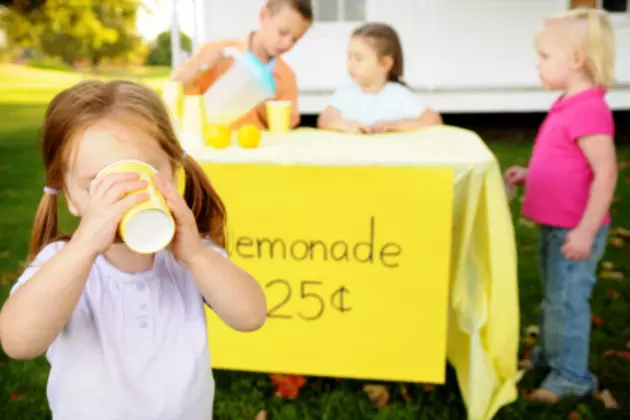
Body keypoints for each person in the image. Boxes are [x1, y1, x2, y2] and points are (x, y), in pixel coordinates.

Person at [0, 80, 267, 419]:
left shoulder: (190, 258)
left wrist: (197, 255)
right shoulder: (62, 265)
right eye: (98, 184)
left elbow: (251, 316)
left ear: (173, 174)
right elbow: (18, 342)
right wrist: (83, 248)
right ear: (69, 196)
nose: (124, 198)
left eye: (144, 175)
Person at [504, 8, 617, 404]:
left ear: (576, 59)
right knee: (555, 297)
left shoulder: (589, 109)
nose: (537, 63)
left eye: (544, 56)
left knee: (567, 303)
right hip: (558, 228)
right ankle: (551, 356)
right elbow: (566, 165)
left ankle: (572, 377)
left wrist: (586, 230)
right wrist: (530, 174)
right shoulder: (569, 104)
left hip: (574, 231)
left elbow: (605, 174)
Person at [171, 0, 313, 129]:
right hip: (213, 143)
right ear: (264, 15)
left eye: (295, 39)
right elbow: (174, 87)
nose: (287, 43)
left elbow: (289, 125)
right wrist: (199, 65)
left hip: (255, 150)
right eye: (282, 32)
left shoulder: (286, 76)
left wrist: (266, 104)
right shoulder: (219, 53)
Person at [317, 23, 442, 134]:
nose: (351, 64)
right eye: (349, 57)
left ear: (385, 63)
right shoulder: (346, 91)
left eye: (358, 58)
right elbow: (324, 119)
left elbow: (433, 119)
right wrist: (343, 125)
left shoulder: (398, 94)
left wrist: (396, 125)